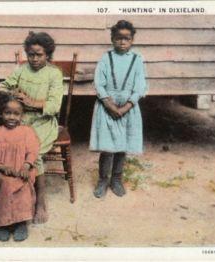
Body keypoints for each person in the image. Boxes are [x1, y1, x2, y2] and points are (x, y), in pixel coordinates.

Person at [0, 31, 63, 223]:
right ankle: (15, 196)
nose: (34, 59)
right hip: (21, 120)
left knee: (32, 154)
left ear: (48, 55)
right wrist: (7, 93)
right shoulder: (21, 70)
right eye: (31, 54)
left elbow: (54, 106)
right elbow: (3, 85)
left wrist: (30, 101)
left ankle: (40, 201)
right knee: (9, 149)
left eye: (39, 55)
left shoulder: (54, 74)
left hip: (43, 123)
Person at [89, 20, 148, 198]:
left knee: (122, 146)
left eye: (127, 39)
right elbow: (99, 83)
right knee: (107, 147)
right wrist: (110, 105)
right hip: (107, 106)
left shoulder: (137, 60)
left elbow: (140, 86)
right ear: (112, 39)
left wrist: (126, 106)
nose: (122, 42)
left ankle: (116, 179)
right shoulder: (106, 58)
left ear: (132, 40)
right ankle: (102, 180)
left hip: (128, 108)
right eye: (118, 38)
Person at [0, 93, 40, 241]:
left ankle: (20, 222)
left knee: (23, 189)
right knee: (6, 185)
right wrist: (0, 166)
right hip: (1, 174)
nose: (12, 117)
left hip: (21, 171)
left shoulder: (27, 132)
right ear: (1, 114)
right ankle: (3, 223)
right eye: (8, 113)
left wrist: (26, 167)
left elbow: (33, 151)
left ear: (22, 116)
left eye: (16, 114)